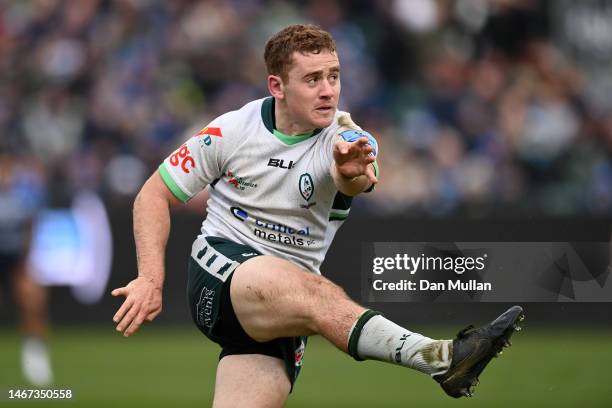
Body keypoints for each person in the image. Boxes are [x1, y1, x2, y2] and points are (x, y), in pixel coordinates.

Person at [112, 24, 524, 406]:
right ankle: (441, 358)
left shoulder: (348, 140)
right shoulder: (232, 131)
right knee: (317, 292)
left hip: (280, 309)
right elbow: (152, 195)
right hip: (221, 275)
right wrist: (150, 279)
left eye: (333, 76)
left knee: (308, 294)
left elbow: (357, 178)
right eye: (312, 79)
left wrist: (350, 173)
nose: (328, 90)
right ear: (278, 86)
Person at [0, 147, 53, 386]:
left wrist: (26, 261)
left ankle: (35, 356)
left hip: (15, 260)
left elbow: (31, 226)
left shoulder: (23, 196)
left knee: (33, 301)